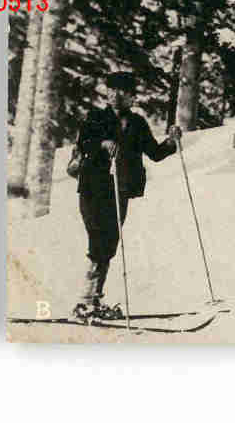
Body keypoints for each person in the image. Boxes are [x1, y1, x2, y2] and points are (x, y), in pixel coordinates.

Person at [72, 70, 180, 320]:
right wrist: (102, 143)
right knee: (98, 240)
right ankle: (83, 301)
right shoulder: (95, 117)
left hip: (120, 191)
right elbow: (82, 144)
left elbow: (154, 153)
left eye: (122, 91)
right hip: (93, 188)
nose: (116, 95)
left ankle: (94, 300)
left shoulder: (137, 123)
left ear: (132, 97)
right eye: (112, 90)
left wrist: (171, 141)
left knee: (109, 243)